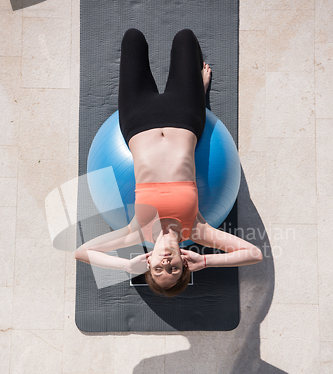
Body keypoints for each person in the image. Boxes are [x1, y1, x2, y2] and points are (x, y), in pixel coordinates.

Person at [75, 28, 263, 296]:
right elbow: (253, 253)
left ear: (148, 262)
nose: (165, 265)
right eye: (174, 270)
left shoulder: (136, 233)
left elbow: (82, 252)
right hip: (184, 116)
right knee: (185, 38)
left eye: (157, 271)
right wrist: (208, 260)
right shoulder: (198, 231)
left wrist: (128, 265)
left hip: (137, 120)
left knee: (132, 38)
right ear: (185, 263)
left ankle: (199, 91)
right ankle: (200, 93)